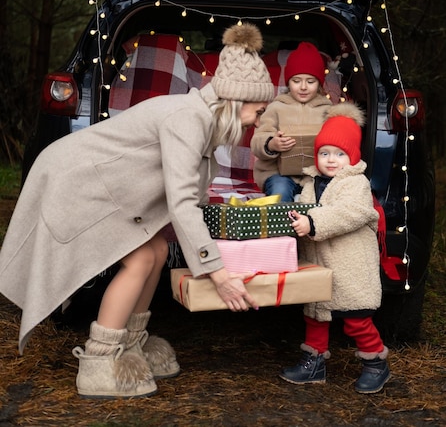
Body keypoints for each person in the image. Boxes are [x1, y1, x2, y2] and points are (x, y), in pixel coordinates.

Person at [0, 22, 274, 399]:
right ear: (236, 101)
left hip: (103, 185)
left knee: (158, 250)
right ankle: (100, 360)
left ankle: (130, 345)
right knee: (142, 258)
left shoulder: (204, 120)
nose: (258, 122)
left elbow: (194, 196)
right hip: (78, 180)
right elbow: (180, 201)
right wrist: (217, 272)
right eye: (257, 112)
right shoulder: (188, 118)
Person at [279, 102, 391, 394]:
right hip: (319, 264)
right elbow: (305, 209)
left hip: (349, 267)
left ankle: (375, 362)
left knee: (356, 319)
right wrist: (295, 218)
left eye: (340, 154)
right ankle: (313, 362)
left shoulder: (356, 185)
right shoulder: (310, 182)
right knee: (316, 315)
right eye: (324, 153)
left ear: (352, 157)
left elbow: (349, 213)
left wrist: (312, 222)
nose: (331, 160)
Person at [250, 41, 332, 201]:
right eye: (296, 81)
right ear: (288, 82)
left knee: (324, 198)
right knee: (280, 192)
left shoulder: (328, 110)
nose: (303, 87)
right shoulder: (276, 107)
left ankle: (311, 225)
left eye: (310, 81)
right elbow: (257, 142)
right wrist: (271, 144)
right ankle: (279, 225)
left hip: (315, 175)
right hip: (277, 174)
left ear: (320, 84)